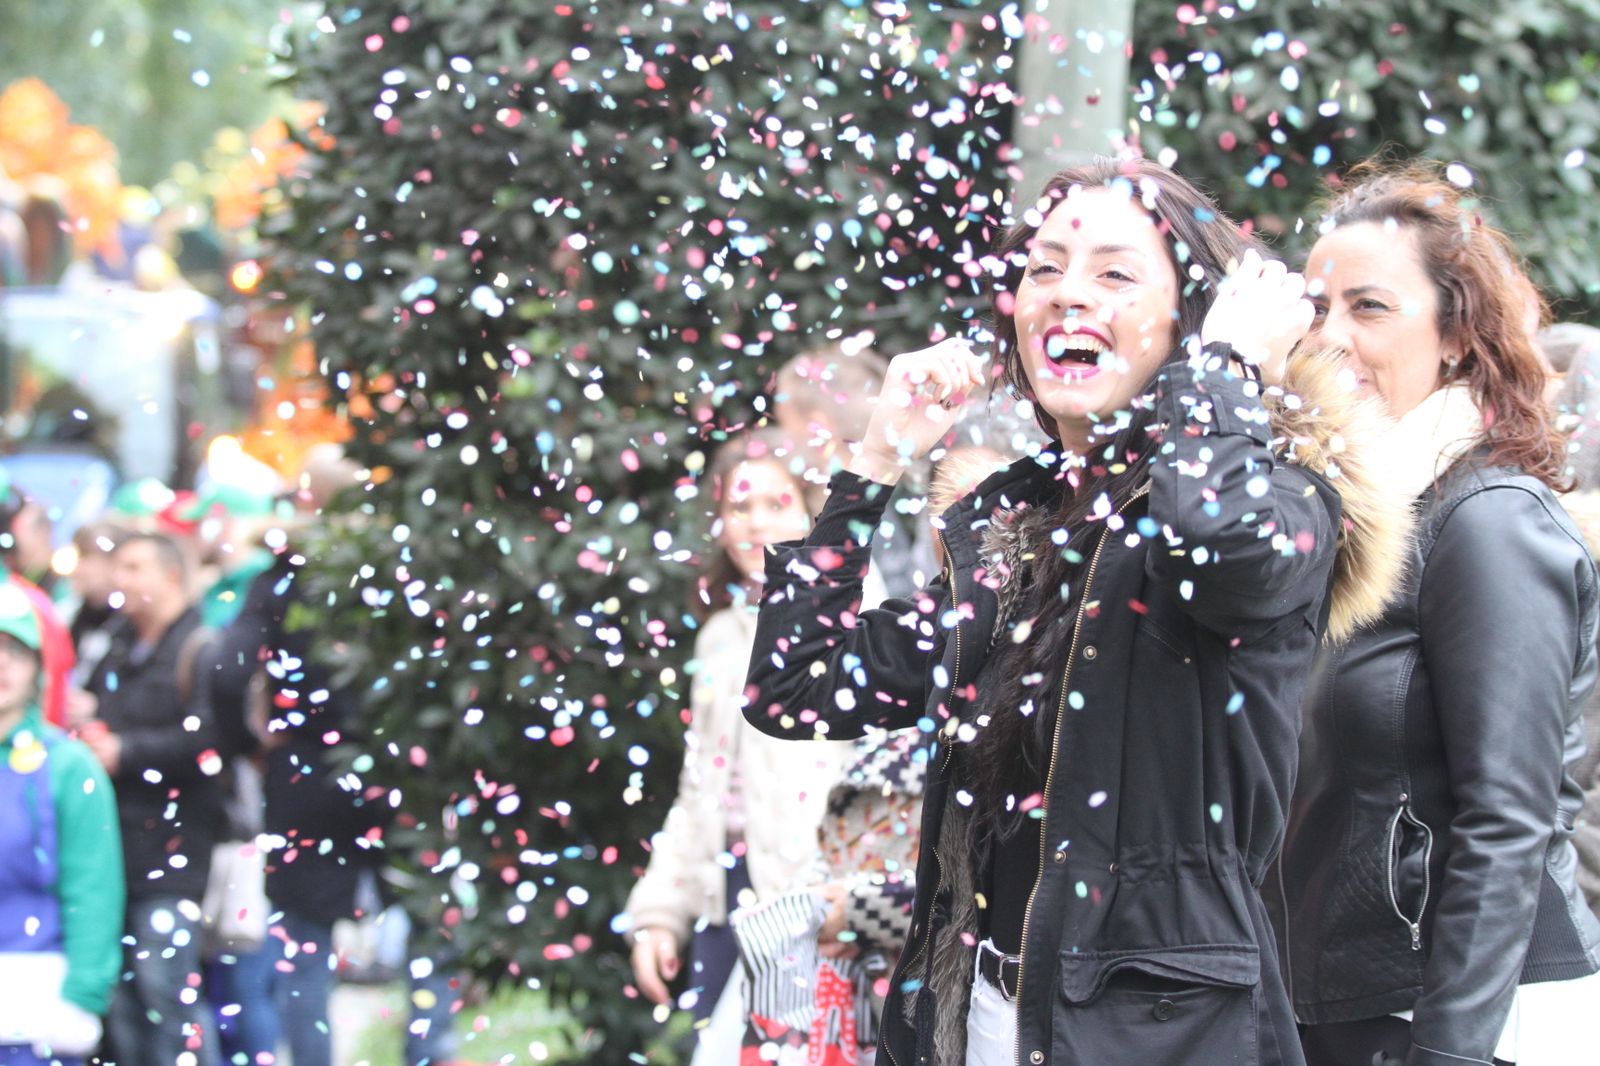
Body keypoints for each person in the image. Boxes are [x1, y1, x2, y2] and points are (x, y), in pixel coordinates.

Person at [742, 157, 1408, 1066]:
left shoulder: (1280, 503)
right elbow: (798, 686)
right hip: (978, 1018)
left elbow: (1220, 549)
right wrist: (875, 462)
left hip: (1160, 1036)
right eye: (1044, 266)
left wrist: (1223, 372)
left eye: (1115, 272)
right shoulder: (1022, 533)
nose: (1066, 294)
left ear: (1192, 320)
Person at [1274, 163, 1600, 1066]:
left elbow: (1512, 819)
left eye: (1369, 308)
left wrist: (1453, 1049)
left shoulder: (1486, 520)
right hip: (1344, 1001)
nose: (1330, 338)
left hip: (1466, 1016)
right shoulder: (1333, 516)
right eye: (1313, 309)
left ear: (1456, 336)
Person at [624, 428, 855, 1062]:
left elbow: (886, 787)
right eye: (738, 506)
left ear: (814, 509)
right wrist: (660, 912)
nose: (756, 524)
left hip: (812, 911)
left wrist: (850, 903)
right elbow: (701, 785)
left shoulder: (858, 625)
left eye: (778, 503)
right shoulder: (721, 636)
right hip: (725, 900)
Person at [83, 532, 223, 1066]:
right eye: (118, 568)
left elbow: (211, 742)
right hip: (113, 850)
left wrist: (127, 750)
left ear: (171, 575)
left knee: (168, 995)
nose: (122, 581)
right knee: (124, 1002)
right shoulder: (115, 642)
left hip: (174, 850)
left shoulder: (202, 647)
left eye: (134, 568)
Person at [0, 584, 123, 1065]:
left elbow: (94, 889)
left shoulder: (69, 768)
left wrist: (81, 998)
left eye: (14, 651)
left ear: (37, 668)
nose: (2, 664)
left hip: (34, 1013)